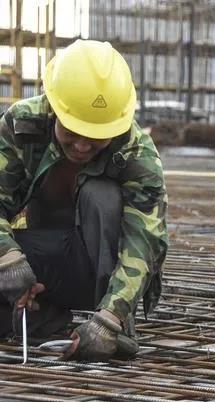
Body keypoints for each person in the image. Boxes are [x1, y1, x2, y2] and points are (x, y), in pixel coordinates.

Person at [0, 39, 168, 362]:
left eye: (95, 138)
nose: (81, 146)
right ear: (54, 108)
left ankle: (110, 324)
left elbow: (145, 240)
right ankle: (44, 316)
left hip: (100, 274)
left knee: (101, 196)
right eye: (72, 131)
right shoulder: (21, 127)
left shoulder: (137, 153)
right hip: (42, 261)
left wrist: (112, 317)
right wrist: (7, 258)